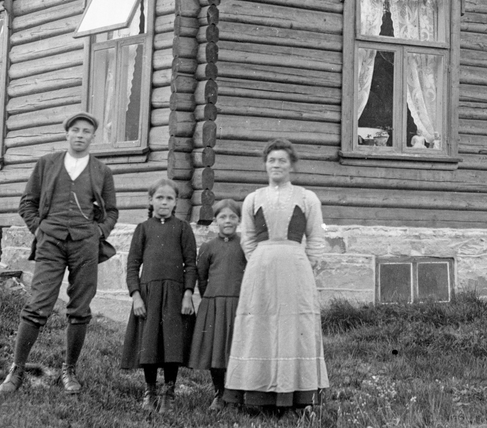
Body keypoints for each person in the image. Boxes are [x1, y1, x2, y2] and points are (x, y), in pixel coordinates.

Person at [0, 111, 118, 396]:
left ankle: (69, 370)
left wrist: (99, 233)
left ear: (92, 137)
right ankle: (17, 369)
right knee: (38, 303)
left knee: (79, 308)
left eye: (86, 131)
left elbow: (111, 211)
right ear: (66, 134)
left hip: (85, 245)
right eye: (75, 130)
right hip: (50, 241)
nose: (80, 135)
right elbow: (27, 203)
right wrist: (39, 229)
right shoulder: (47, 164)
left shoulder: (102, 171)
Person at [223, 140, 330, 411]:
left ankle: (295, 396)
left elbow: (316, 237)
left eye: (282, 160)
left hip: (296, 267)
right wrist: (262, 260)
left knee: (294, 326)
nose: (277, 165)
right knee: (260, 325)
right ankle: (257, 396)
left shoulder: (307, 198)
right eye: (272, 160)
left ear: (291, 165)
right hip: (261, 268)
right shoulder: (254, 198)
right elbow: (247, 238)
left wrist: (306, 263)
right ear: (265, 165)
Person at [120, 178, 197, 414]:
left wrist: (187, 294)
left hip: (174, 295)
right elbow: (132, 264)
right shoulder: (143, 229)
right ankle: (150, 391)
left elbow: (191, 265)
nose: (164, 202)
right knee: (149, 343)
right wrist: (136, 296)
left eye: (169, 198)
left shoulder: (183, 228)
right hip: (149, 295)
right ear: (151, 200)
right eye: (159, 198)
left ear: (176, 202)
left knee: (172, 344)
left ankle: (169, 392)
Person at [188, 198, 246, 410]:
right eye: (222, 217)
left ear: (239, 220)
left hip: (239, 305)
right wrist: (210, 298)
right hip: (214, 304)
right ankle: (219, 393)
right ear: (215, 221)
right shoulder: (208, 246)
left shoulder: (245, 245)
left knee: (235, 350)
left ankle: (236, 395)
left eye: (232, 217)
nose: (228, 221)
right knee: (216, 351)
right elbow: (201, 277)